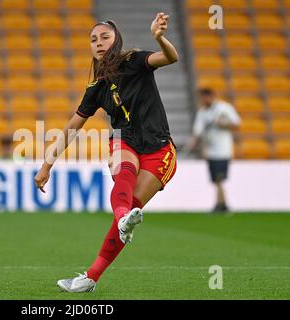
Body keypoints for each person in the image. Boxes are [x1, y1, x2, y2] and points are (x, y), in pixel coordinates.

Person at [34, 13, 179, 292]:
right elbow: (71, 128)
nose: (98, 43)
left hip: (159, 149)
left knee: (129, 207)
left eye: (104, 37)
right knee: (124, 180)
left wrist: (159, 38)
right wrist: (46, 165)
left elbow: (170, 58)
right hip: (126, 140)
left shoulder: (134, 61)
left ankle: (91, 278)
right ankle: (124, 216)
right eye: (93, 39)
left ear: (116, 41)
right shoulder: (96, 88)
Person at [185, 88, 241, 213]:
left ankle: (221, 204)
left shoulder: (224, 108)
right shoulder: (202, 112)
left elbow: (237, 124)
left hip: (223, 150)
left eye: (206, 97)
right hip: (210, 151)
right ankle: (222, 204)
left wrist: (223, 124)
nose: (204, 100)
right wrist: (193, 143)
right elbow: (197, 131)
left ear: (212, 96)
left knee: (219, 178)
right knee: (216, 180)